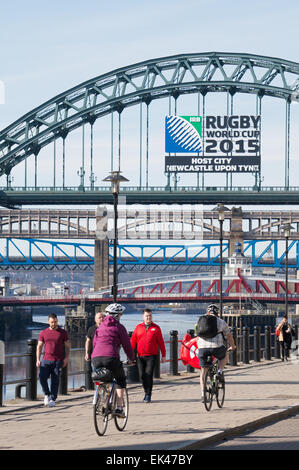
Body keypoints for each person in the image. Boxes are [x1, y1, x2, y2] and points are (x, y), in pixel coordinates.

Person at [91, 303, 134, 417]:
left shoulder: (100, 327)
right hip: (111, 357)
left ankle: (102, 399)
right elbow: (126, 345)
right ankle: (119, 408)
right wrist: (131, 359)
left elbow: (94, 343)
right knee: (120, 380)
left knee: (103, 379)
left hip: (95, 358)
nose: (120, 317)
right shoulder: (119, 327)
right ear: (117, 315)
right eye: (120, 315)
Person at [196, 304, 236, 403]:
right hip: (216, 348)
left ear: (207, 312)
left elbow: (197, 334)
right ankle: (219, 372)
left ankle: (203, 395)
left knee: (203, 372)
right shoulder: (221, 322)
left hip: (202, 349)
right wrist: (233, 346)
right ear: (217, 313)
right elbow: (229, 336)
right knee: (224, 354)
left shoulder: (201, 321)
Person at [130, 308, 166, 403]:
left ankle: (148, 394)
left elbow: (161, 342)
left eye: (150, 315)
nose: (148, 317)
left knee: (149, 375)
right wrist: (130, 354)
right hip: (140, 356)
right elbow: (133, 341)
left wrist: (163, 355)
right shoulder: (138, 327)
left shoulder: (156, 328)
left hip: (152, 356)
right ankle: (146, 391)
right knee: (142, 376)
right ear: (143, 317)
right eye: (146, 316)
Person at [36, 313, 70, 407]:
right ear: (48, 322)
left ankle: (53, 399)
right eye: (52, 322)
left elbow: (67, 346)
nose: (54, 324)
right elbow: (39, 347)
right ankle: (47, 394)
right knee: (42, 377)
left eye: (55, 322)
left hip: (58, 360)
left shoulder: (63, 332)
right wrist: (38, 359)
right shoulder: (43, 332)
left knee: (55, 380)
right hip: (46, 360)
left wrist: (66, 358)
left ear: (57, 321)